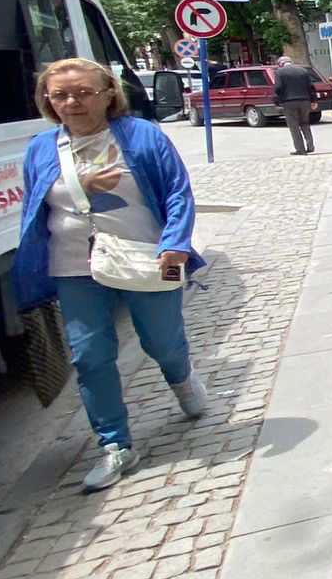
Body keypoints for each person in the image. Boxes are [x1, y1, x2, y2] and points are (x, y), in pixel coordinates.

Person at [14, 58, 209, 492]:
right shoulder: (40, 148)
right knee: (89, 356)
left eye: (83, 92)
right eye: (60, 94)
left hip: (144, 255)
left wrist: (175, 242)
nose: (71, 102)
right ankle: (116, 445)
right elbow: (35, 208)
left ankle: (181, 377)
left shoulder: (141, 136)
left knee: (161, 340)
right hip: (73, 264)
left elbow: (177, 191)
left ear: (108, 94)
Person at [272, 56, 317, 155]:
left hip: (289, 102)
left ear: (280, 64)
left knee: (294, 126)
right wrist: (313, 101)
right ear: (290, 62)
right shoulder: (303, 71)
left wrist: (276, 102)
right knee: (305, 123)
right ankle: (310, 146)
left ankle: (300, 149)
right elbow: (311, 87)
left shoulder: (279, 72)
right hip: (305, 101)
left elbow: (278, 88)